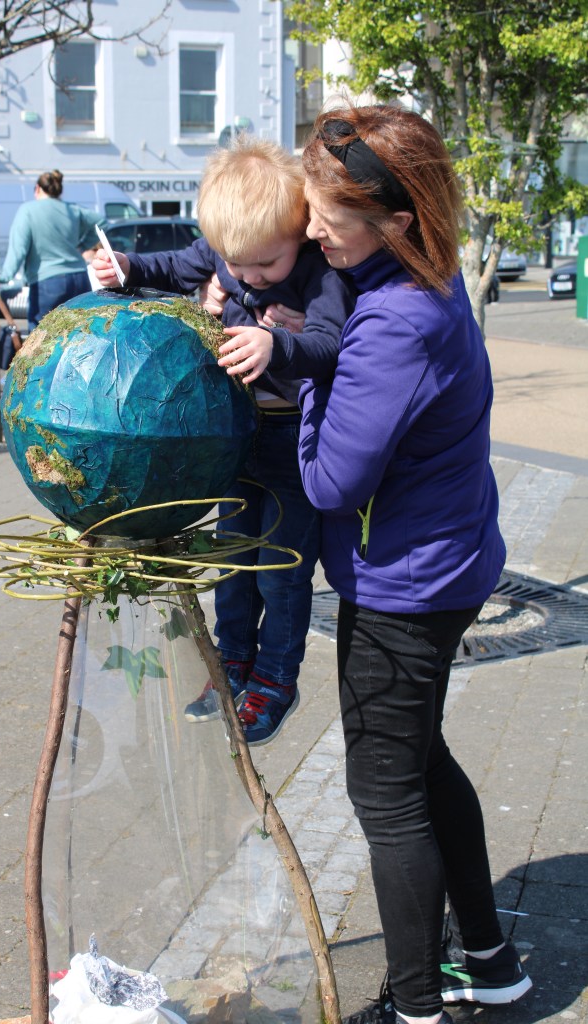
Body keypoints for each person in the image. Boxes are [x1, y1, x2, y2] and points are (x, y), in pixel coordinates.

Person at [293, 105, 533, 1024]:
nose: (312, 230)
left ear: (396, 219)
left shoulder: (393, 320)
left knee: (384, 795)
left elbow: (327, 481)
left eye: (327, 216)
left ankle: (416, 1007)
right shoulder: (420, 280)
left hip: (405, 586)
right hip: (444, 561)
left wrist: (307, 373)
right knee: (421, 762)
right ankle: (489, 959)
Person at [93, 135, 355, 745]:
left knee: (281, 571)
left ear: (301, 235)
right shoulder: (224, 254)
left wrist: (276, 345)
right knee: (232, 562)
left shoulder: (318, 276)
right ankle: (230, 662)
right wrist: (126, 267)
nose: (251, 279)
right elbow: (169, 268)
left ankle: (274, 679)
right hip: (236, 437)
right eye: (237, 267)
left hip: (296, 441)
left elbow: (331, 345)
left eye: (267, 266)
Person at [0, 170, 103, 332]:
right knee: (80, 334)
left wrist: (4, 276)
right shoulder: (72, 210)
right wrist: (82, 246)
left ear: (37, 189)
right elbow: (101, 222)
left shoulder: (27, 211)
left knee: (43, 340)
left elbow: (18, 249)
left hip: (47, 282)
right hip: (79, 278)